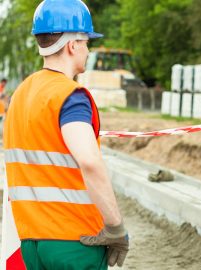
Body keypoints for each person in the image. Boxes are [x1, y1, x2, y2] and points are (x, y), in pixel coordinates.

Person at [3, 0, 129, 269]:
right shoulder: (69, 96)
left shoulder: (20, 95)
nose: (87, 50)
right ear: (73, 45)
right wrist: (115, 227)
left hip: (31, 243)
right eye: (86, 42)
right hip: (75, 241)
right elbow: (90, 161)